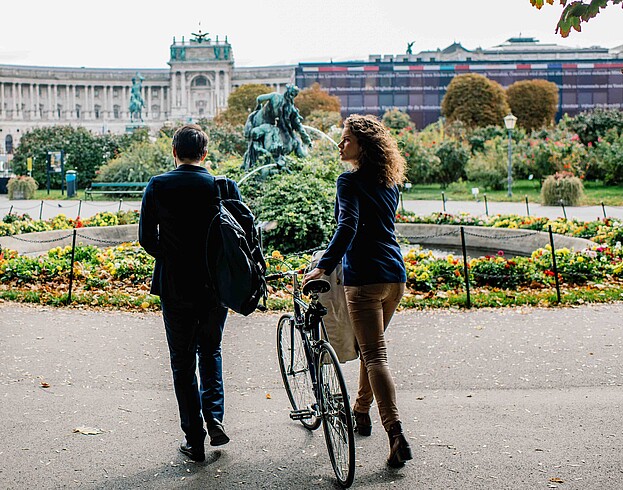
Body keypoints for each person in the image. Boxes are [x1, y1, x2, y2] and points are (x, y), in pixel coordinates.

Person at [303, 114, 413, 468]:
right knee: (370, 349)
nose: (340, 144)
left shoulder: (348, 182)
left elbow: (347, 226)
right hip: (394, 276)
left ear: (362, 147)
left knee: (375, 355)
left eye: (346, 139)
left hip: (364, 278)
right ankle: (361, 411)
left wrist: (323, 265)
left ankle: (395, 433)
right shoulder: (389, 182)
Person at [139, 124, 240, 462]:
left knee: (182, 362)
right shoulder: (222, 186)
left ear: (174, 152)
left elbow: (145, 238)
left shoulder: (158, 185)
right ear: (205, 154)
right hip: (215, 287)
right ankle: (215, 416)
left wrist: (170, 256)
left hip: (175, 285)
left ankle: (194, 439)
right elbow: (237, 239)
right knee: (210, 350)